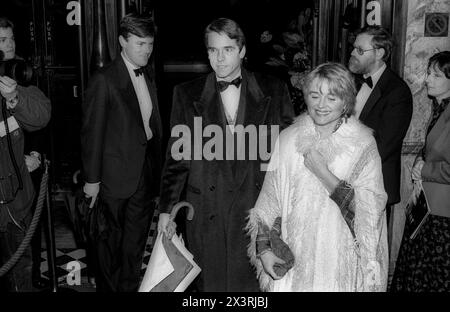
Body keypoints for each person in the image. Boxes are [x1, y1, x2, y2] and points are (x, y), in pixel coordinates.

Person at [157, 17, 294, 292]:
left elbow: (288, 158)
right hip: (208, 207)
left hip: (254, 207)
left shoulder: (274, 90)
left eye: (228, 49)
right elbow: (177, 159)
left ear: (242, 50)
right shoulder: (186, 94)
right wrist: (166, 210)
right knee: (211, 285)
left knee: (252, 289)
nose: (219, 59)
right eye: (212, 50)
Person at [246, 62, 388, 292]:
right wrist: (265, 251)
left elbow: (370, 213)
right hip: (294, 263)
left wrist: (323, 173)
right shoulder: (288, 139)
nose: (321, 105)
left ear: (346, 103)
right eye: (315, 95)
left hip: (338, 267)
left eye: (332, 98)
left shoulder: (362, 144)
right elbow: (268, 203)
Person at [81, 13, 162, 292]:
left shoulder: (148, 73)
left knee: (134, 247)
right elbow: (92, 134)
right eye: (140, 44)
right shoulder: (104, 80)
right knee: (109, 248)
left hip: (144, 175)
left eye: (150, 44)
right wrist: (92, 181)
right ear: (122, 42)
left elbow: (151, 125)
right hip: (113, 178)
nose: (147, 50)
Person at [391, 51, 450, 292]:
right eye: (428, 73)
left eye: (436, 75)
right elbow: (432, 150)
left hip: (442, 216)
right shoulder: (440, 109)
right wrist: (419, 161)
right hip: (426, 209)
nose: (428, 80)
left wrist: (425, 169)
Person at [0, 17, 51, 292]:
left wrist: (13, 99)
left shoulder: (18, 73)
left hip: (17, 199)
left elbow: (42, 116)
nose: (9, 46)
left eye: (11, 39)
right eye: (2, 41)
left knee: (22, 273)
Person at [348, 26, 413, 225]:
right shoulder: (354, 82)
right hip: (346, 181)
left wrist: (347, 170)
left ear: (379, 53)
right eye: (353, 48)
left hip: (373, 185)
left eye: (360, 50)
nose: (352, 53)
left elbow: (384, 146)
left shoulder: (397, 91)